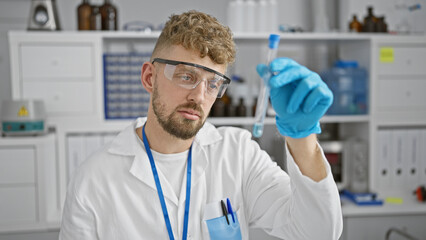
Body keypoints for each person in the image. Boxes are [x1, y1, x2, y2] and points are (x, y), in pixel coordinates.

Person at [59, 10, 342, 240]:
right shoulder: (93, 179)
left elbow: (318, 233)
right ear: (149, 78)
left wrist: (302, 137)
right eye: (185, 76)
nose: (199, 96)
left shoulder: (238, 155)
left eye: (213, 84)